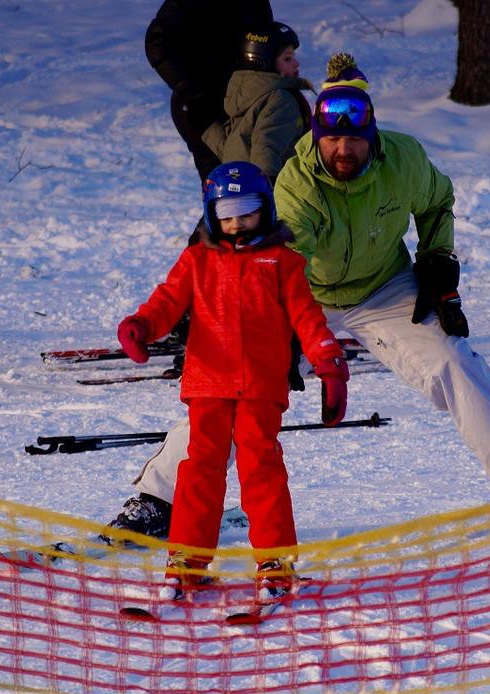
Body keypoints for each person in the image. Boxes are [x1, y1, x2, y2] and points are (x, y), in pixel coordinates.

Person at [107, 55, 490, 541]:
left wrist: (437, 257)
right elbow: (278, 269)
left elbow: (437, 201)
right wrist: (283, 339)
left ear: (373, 134)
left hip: (384, 287)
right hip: (302, 294)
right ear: (314, 135)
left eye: (354, 138)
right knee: (234, 387)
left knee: (456, 365)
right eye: (332, 139)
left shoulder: (406, 159)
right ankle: (159, 498)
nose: (343, 149)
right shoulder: (296, 186)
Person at [116, 161, 349, 601]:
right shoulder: (197, 258)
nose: (237, 223)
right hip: (207, 382)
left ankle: (275, 562)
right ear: (211, 214)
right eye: (227, 213)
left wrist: (329, 362)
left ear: (267, 210)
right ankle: (186, 562)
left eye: (247, 211)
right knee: (199, 469)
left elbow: (308, 320)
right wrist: (141, 325)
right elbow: (167, 300)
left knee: (261, 467)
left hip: (261, 385)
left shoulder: (283, 262)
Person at [145, 0, 274, 182]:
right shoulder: (183, 6)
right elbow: (157, 42)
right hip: (202, 107)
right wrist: (189, 90)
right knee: (222, 181)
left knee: (249, 179)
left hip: (244, 100)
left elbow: (266, 40)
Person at [202, 21, 314, 184]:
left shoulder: (247, 96)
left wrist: (209, 130)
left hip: (240, 186)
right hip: (269, 192)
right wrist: (269, 189)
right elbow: (266, 146)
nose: (296, 64)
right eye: (287, 59)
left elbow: (236, 148)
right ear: (266, 63)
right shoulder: (282, 100)